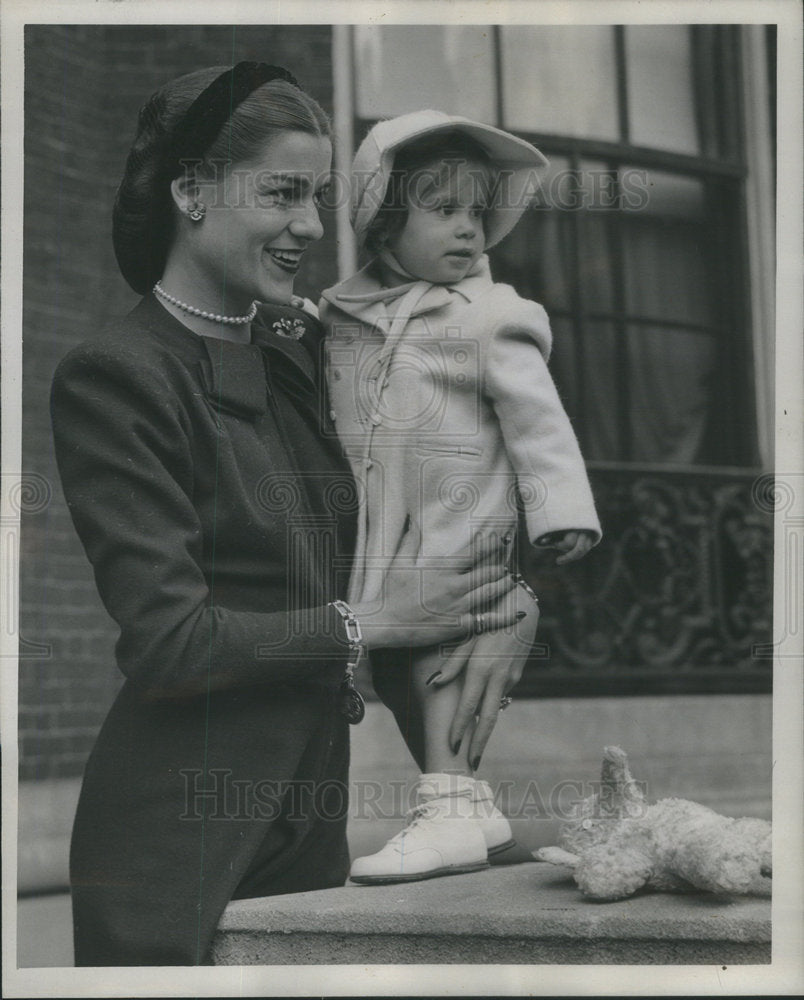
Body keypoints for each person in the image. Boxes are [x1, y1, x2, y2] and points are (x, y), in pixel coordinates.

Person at [50, 67, 521, 966]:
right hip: (176, 837)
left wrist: (484, 606)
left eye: (318, 196)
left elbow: (383, 536)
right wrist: (371, 623)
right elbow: (170, 641)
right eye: (282, 193)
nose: (311, 225)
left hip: (307, 819)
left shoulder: (298, 353)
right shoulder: (121, 373)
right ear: (190, 190)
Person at [320, 110, 602, 884]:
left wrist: (561, 511)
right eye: (445, 211)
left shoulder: (487, 317)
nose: (470, 231)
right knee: (393, 663)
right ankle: (468, 801)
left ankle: (446, 808)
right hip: (382, 533)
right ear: (383, 224)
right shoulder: (342, 318)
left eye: (478, 213)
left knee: (439, 656)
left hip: (458, 520)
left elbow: (537, 422)